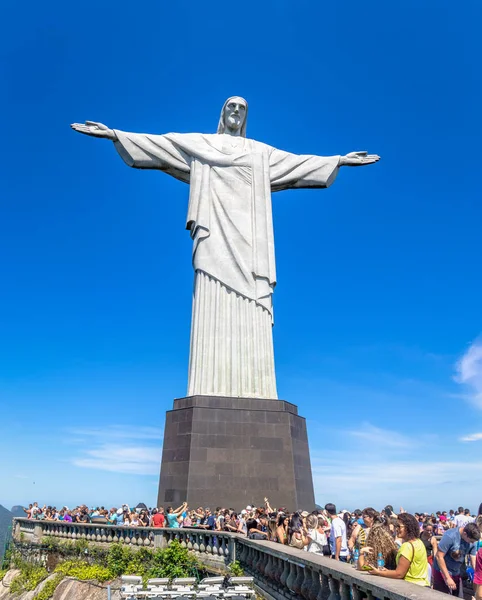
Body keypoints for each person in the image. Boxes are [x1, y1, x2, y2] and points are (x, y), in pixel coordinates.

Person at [368, 513, 429, 587]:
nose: (396, 529)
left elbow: (399, 573)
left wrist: (378, 572)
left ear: (408, 527)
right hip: (423, 584)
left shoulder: (407, 546)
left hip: (411, 586)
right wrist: (388, 572)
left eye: (399, 526)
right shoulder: (419, 542)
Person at [433, 521, 480, 594]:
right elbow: (439, 556)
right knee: (442, 596)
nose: (472, 543)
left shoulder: (473, 542)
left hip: (456, 571)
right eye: (471, 541)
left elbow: (473, 561)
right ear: (465, 534)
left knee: (457, 596)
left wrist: (479, 575)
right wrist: (447, 578)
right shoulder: (450, 536)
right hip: (441, 570)